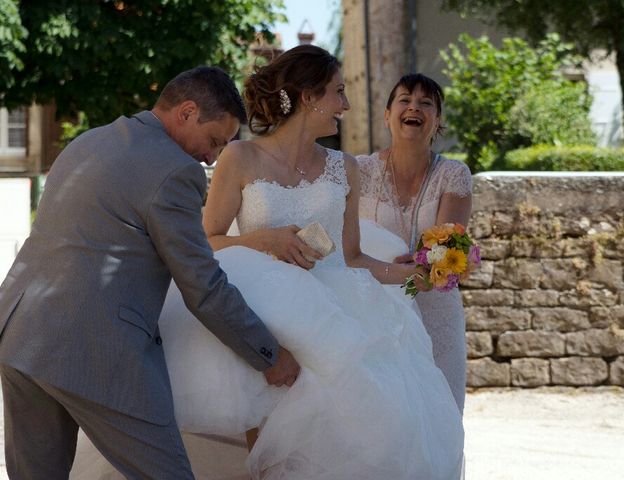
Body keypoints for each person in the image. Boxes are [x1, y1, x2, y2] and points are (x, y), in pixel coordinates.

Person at [72, 46, 464, 480]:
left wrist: (414, 279)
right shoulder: (240, 158)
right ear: (307, 96)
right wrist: (262, 241)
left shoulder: (345, 168)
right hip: (262, 315)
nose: (345, 106)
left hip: (335, 315)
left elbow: (353, 258)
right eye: (338, 92)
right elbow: (204, 242)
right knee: (265, 440)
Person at [0, 66, 300, 479]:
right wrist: (268, 354)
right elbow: (202, 286)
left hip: (21, 335)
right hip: (97, 349)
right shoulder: (176, 171)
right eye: (214, 141)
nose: (212, 157)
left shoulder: (90, 141)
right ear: (187, 112)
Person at [357, 73, 473, 414]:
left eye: (426, 103)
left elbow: (449, 250)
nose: (414, 108)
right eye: (405, 100)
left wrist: (435, 263)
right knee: (384, 418)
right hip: (374, 312)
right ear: (387, 114)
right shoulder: (358, 170)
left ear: (437, 121)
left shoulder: (454, 175)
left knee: (441, 413)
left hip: (436, 312)